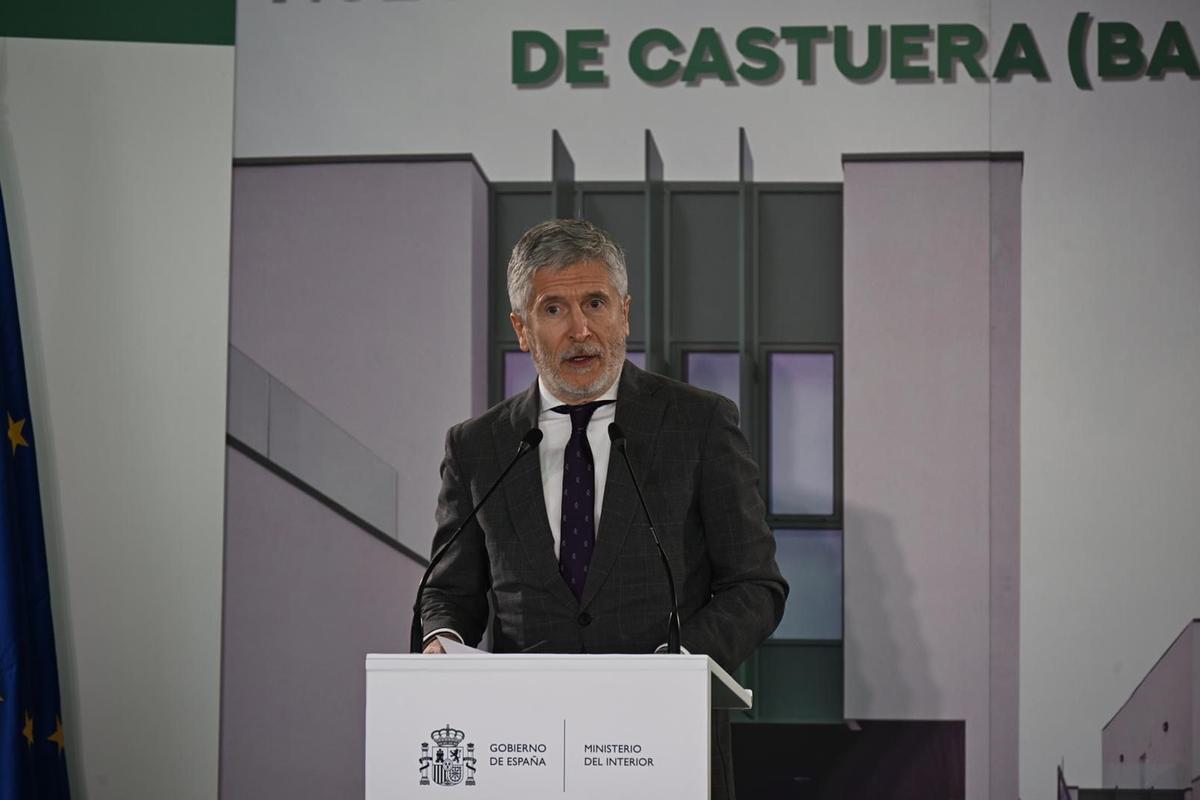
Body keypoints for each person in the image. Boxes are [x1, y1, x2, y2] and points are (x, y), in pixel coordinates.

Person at [419, 217, 787, 800]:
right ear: (522, 328)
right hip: (521, 751)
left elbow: (755, 585)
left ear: (625, 312)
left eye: (596, 302)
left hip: (665, 746)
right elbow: (448, 591)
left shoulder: (698, 423)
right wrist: (440, 638)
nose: (581, 329)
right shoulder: (477, 446)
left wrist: (681, 662)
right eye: (554, 309)